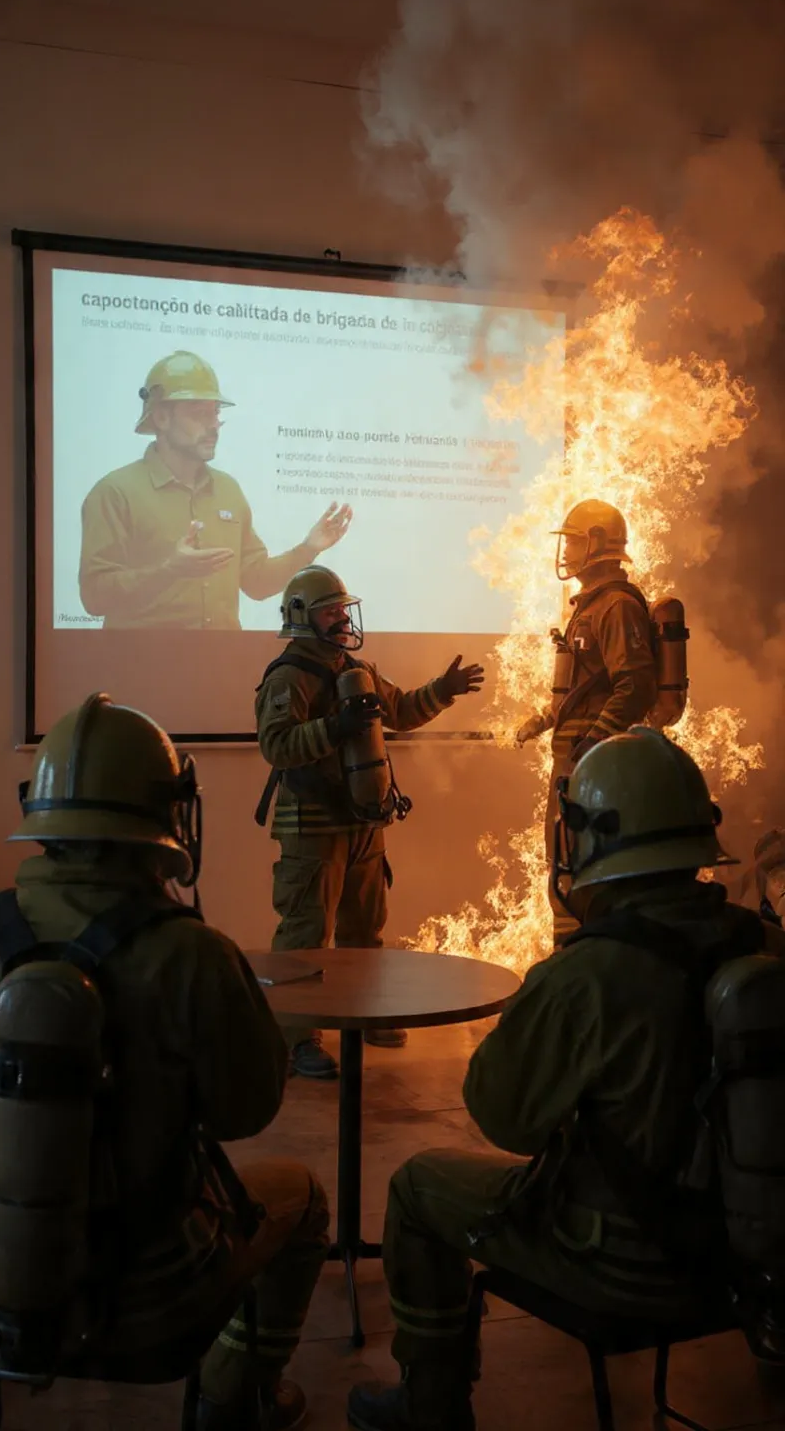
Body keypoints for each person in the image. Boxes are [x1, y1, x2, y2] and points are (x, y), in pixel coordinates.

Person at [346, 727, 785, 1431]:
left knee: (418, 1187)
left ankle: (429, 1407)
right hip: (747, 1270)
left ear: (592, 839)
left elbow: (505, 1119)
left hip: (625, 1262)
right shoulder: (767, 947)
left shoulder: (586, 974)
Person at [0, 693, 329, 1431]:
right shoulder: (195, 953)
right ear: (169, 813)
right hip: (154, 1301)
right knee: (303, 1200)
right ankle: (234, 1402)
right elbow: (246, 1111)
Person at [255, 565, 485, 1080]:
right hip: (313, 825)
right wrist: (334, 727)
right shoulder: (288, 677)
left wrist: (443, 690)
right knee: (305, 935)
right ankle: (297, 1038)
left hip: (364, 822)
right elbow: (276, 745)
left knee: (364, 928)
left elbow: (399, 711)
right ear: (302, 617)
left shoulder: (356, 669)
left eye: (343, 608)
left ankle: (363, 1015)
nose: (343, 618)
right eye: (331, 611)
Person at [78, 351, 352, 628]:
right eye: (200, 414)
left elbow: (257, 582)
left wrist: (308, 549)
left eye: (216, 413)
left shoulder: (227, 490)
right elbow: (94, 598)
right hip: (145, 655)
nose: (213, 426)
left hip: (223, 653)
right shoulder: (115, 492)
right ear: (161, 417)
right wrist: (168, 571)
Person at [516, 499, 656, 947]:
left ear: (596, 542)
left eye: (574, 541)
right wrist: (543, 720)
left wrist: (594, 743)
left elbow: (634, 685)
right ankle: (572, 956)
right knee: (566, 861)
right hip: (579, 761)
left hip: (593, 767)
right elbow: (583, 689)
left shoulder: (616, 606)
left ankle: (580, 960)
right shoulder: (591, 608)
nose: (567, 552)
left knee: (582, 866)